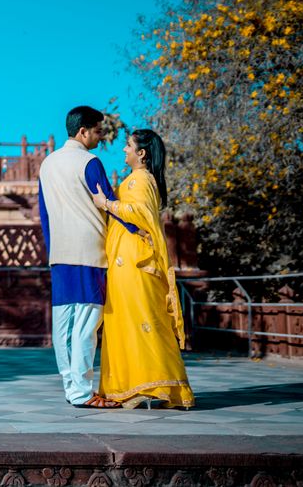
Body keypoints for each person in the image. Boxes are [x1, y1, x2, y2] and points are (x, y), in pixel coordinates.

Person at [38, 105, 141, 409]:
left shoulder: (48, 164)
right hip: (88, 253)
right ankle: (82, 392)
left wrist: (51, 250)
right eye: (97, 131)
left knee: (64, 323)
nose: (100, 137)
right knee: (85, 324)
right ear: (82, 131)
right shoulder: (89, 161)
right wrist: (138, 229)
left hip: (60, 253)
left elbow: (44, 214)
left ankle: (73, 388)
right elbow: (109, 203)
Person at [91, 129, 195, 409]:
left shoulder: (140, 179)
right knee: (128, 321)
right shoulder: (137, 179)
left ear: (142, 153)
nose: (124, 150)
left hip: (135, 262)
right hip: (124, 260)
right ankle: (134, 387)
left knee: (141, 320)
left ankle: (154, 385)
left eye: (128, 146)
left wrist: (107, 204)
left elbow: (141, 215)